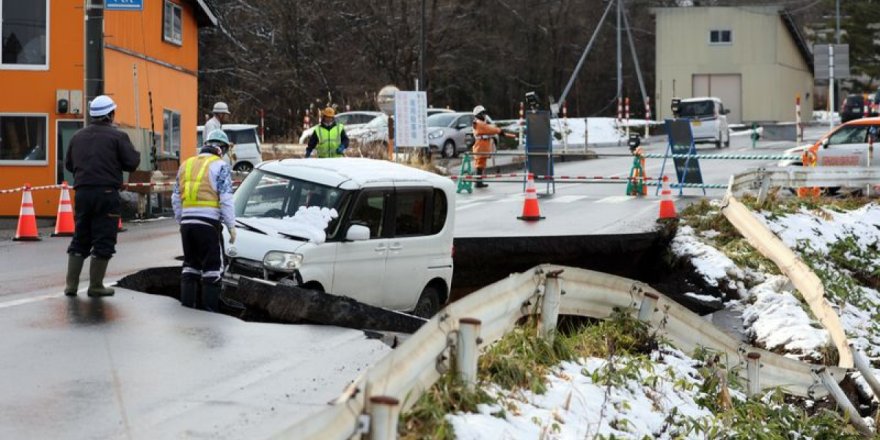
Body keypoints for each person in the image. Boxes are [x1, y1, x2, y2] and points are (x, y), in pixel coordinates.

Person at [64, 95, 141, 297]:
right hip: (106, 194)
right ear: (110, 115)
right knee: (104, 238)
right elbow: (131, 163)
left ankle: (70, 286)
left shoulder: (77, 137)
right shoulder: (118, 137)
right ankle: (95, 285)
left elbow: (69, 165)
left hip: (82, 193)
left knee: (81, 237)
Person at [172, 129, 236, 312]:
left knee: (190, 265)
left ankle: (187, 308)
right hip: (208, 223)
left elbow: (176, 198)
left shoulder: (186, 164)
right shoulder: (220, 166)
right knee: (213, 268)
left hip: (187, 224)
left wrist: (181, 220)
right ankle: (209, 312)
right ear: (221, 149)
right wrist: (231, 226)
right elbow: (226, 198)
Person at [471, 105, 503, 188]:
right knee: (479, 165)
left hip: (481, 145)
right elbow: (489, 129)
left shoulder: (478, 122)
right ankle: (478, 182)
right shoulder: (479, 123)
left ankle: (479, 181)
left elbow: (489, 129)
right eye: (483, 113)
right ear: (479, 114)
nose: (484, 115)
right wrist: (499, 131)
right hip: (480, 146)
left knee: (481, 164)